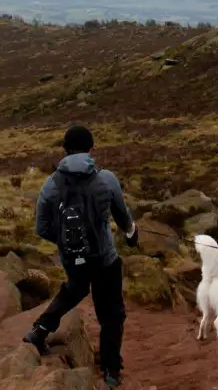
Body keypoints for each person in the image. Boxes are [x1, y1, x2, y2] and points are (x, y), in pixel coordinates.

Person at [24, 125, 138, 388]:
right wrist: (132, 235)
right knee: (111, 314)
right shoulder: (107, 179)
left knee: (75, 288)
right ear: (91, 150)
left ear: (64, 151)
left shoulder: (50, 185)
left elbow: (41, 228)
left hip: (73, 257)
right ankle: (111, 371)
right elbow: (123, 217)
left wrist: (65, 242)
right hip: (105, 259)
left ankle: (39, 331)